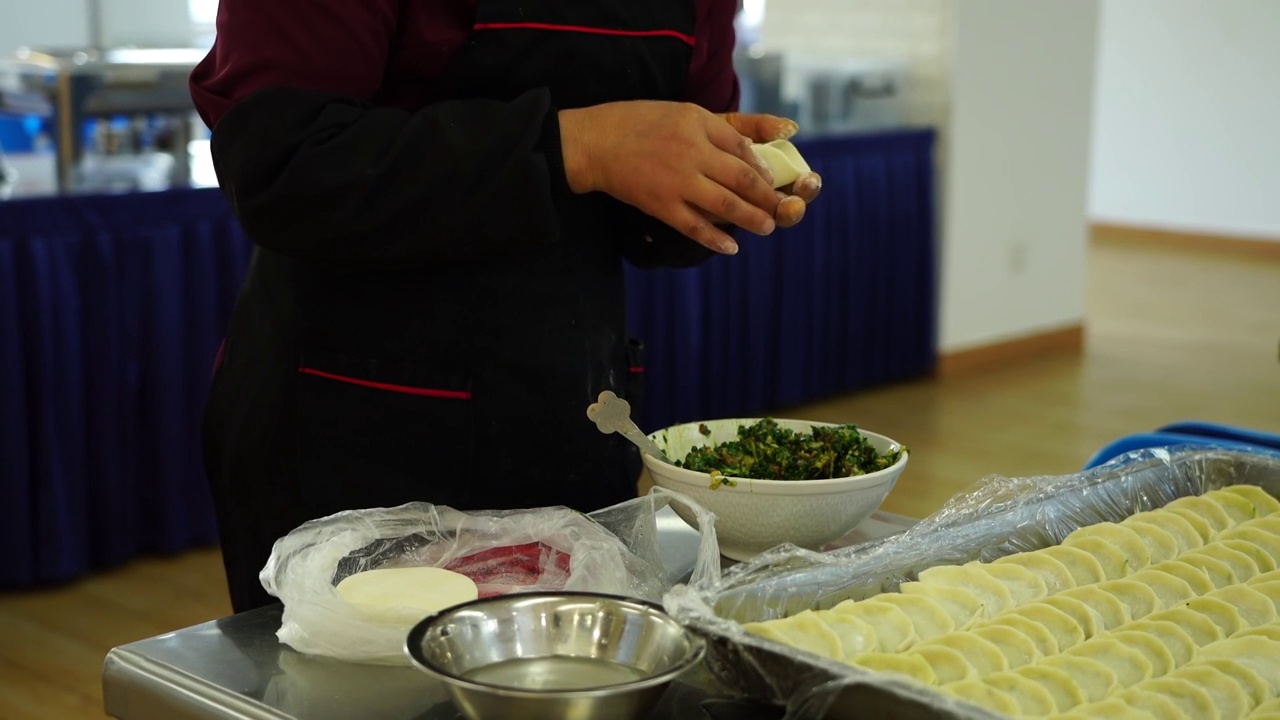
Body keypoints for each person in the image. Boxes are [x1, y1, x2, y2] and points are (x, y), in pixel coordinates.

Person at [190, 0, 823, 613]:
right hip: (354, 439)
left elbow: (641, 215)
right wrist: (581, 146)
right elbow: (285, 166)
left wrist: (713, 190)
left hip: (569, 420)